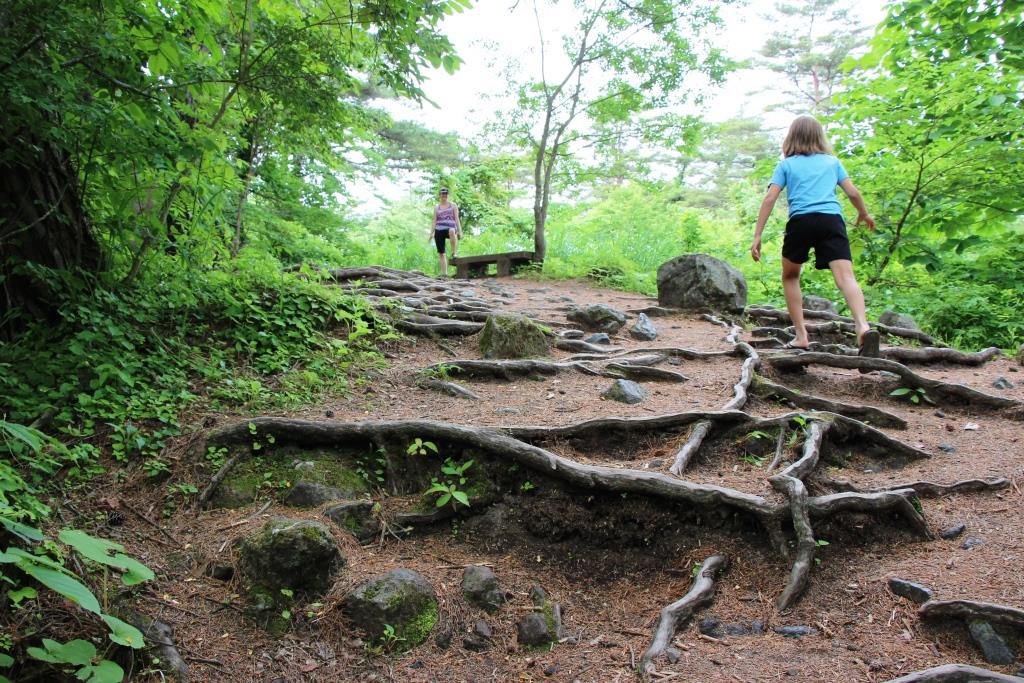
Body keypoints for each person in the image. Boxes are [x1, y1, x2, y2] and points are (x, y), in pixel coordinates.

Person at [750, 114, 880, 357]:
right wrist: (864, 213)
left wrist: (757, 235)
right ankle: (863, 326)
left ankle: (801, 336)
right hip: (832, 220)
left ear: (791, 137)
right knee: (846, 277)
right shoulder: (832, 162)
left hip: (801, 221)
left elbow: (770, 198)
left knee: (790, 276)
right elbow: (852, 192)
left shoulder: (786, 165)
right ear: (820, 137)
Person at [428, 188, 462, 277]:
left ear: (448, 195)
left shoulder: (453, 205)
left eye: (446, 194)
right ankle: (445, 274)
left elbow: (457, 219)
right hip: (439, 229)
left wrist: (459, 231)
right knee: (441, 253)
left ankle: (454, 253)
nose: (444, 195)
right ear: (440, 195)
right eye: (442, 194)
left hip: (450, 227)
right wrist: (431, 233)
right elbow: (434, 221)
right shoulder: (436, 207)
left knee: (451, 231)